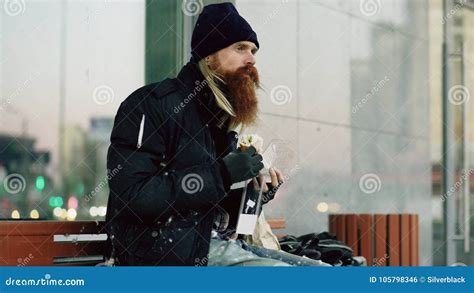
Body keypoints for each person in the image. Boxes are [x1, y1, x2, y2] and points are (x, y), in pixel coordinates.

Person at [104, 3, 328, 267]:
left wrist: (254, 194)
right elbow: (133, 196)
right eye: (240, 48)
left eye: (254, 51)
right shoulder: (152, 104)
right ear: (209, 56)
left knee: (321, 270)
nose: (252, 59)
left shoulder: (217, 120)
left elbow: (210, 211)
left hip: (210, 246)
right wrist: (221, 174)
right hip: (158, 257)